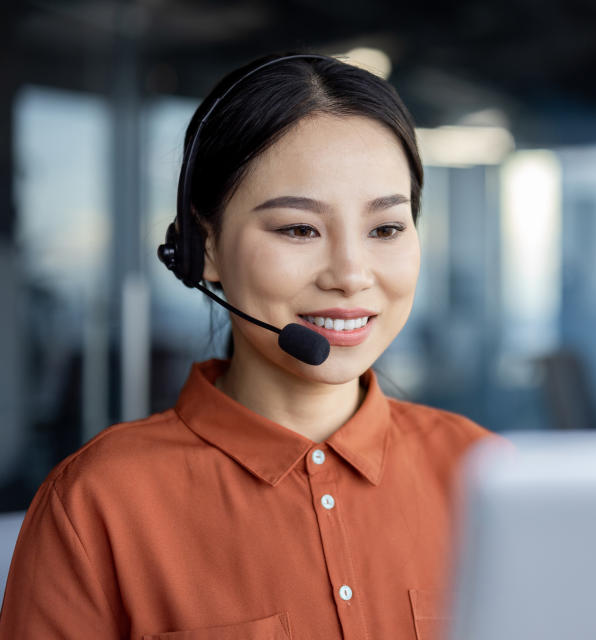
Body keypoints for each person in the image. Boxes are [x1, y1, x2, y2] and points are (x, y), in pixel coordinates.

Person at [0, 52, 495, 639]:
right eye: (298, 229)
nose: (350, 274)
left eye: (385, 228)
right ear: (201, 249)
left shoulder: (484, 474)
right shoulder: (96, 505)